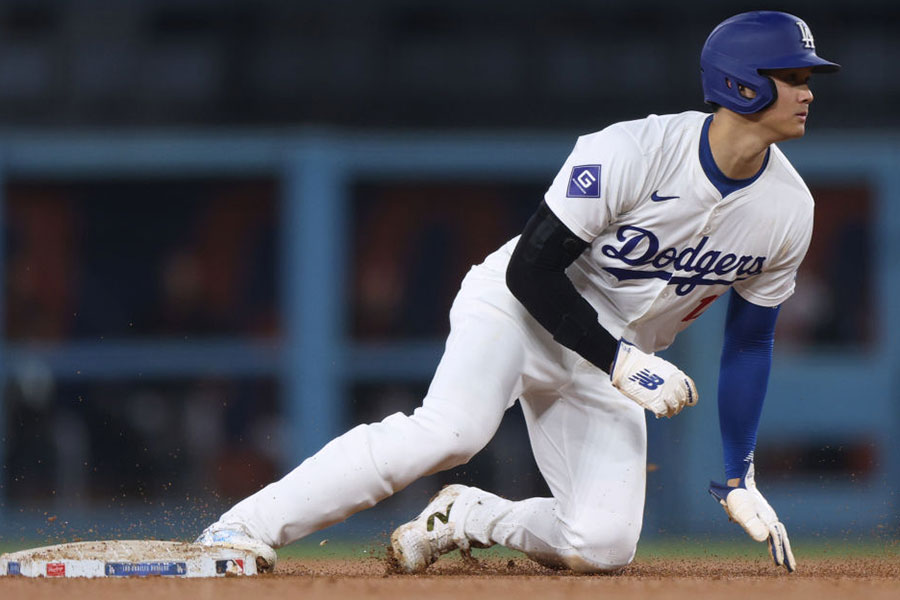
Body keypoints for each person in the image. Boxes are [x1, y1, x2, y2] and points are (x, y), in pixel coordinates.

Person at [196, 11, 839, 574]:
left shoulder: (789, 210)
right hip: (521, 312)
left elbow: (750, 345)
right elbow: (529, 272)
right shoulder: (631, 151)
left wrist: (737, 475)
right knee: (451, 432)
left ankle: (467, 517)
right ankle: (244, 527)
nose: (808, 93)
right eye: (795, 78)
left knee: (604, 545)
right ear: (740, 82)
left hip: (612, 358)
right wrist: (620, 361)